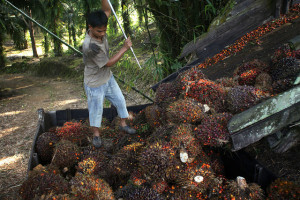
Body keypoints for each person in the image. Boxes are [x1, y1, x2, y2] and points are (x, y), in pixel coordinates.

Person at [82, 0, 136, 148]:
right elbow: (108, 63)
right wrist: (124, 48)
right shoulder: (90, 46)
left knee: (120, 101)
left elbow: (107, 10)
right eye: (99, 31)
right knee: (96, 110)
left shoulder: (99, 26)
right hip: (95, 83)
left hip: (107, 77)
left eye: (105, 30)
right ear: (90, 27)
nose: (103, 34)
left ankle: (123, 124)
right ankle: (96, 135)